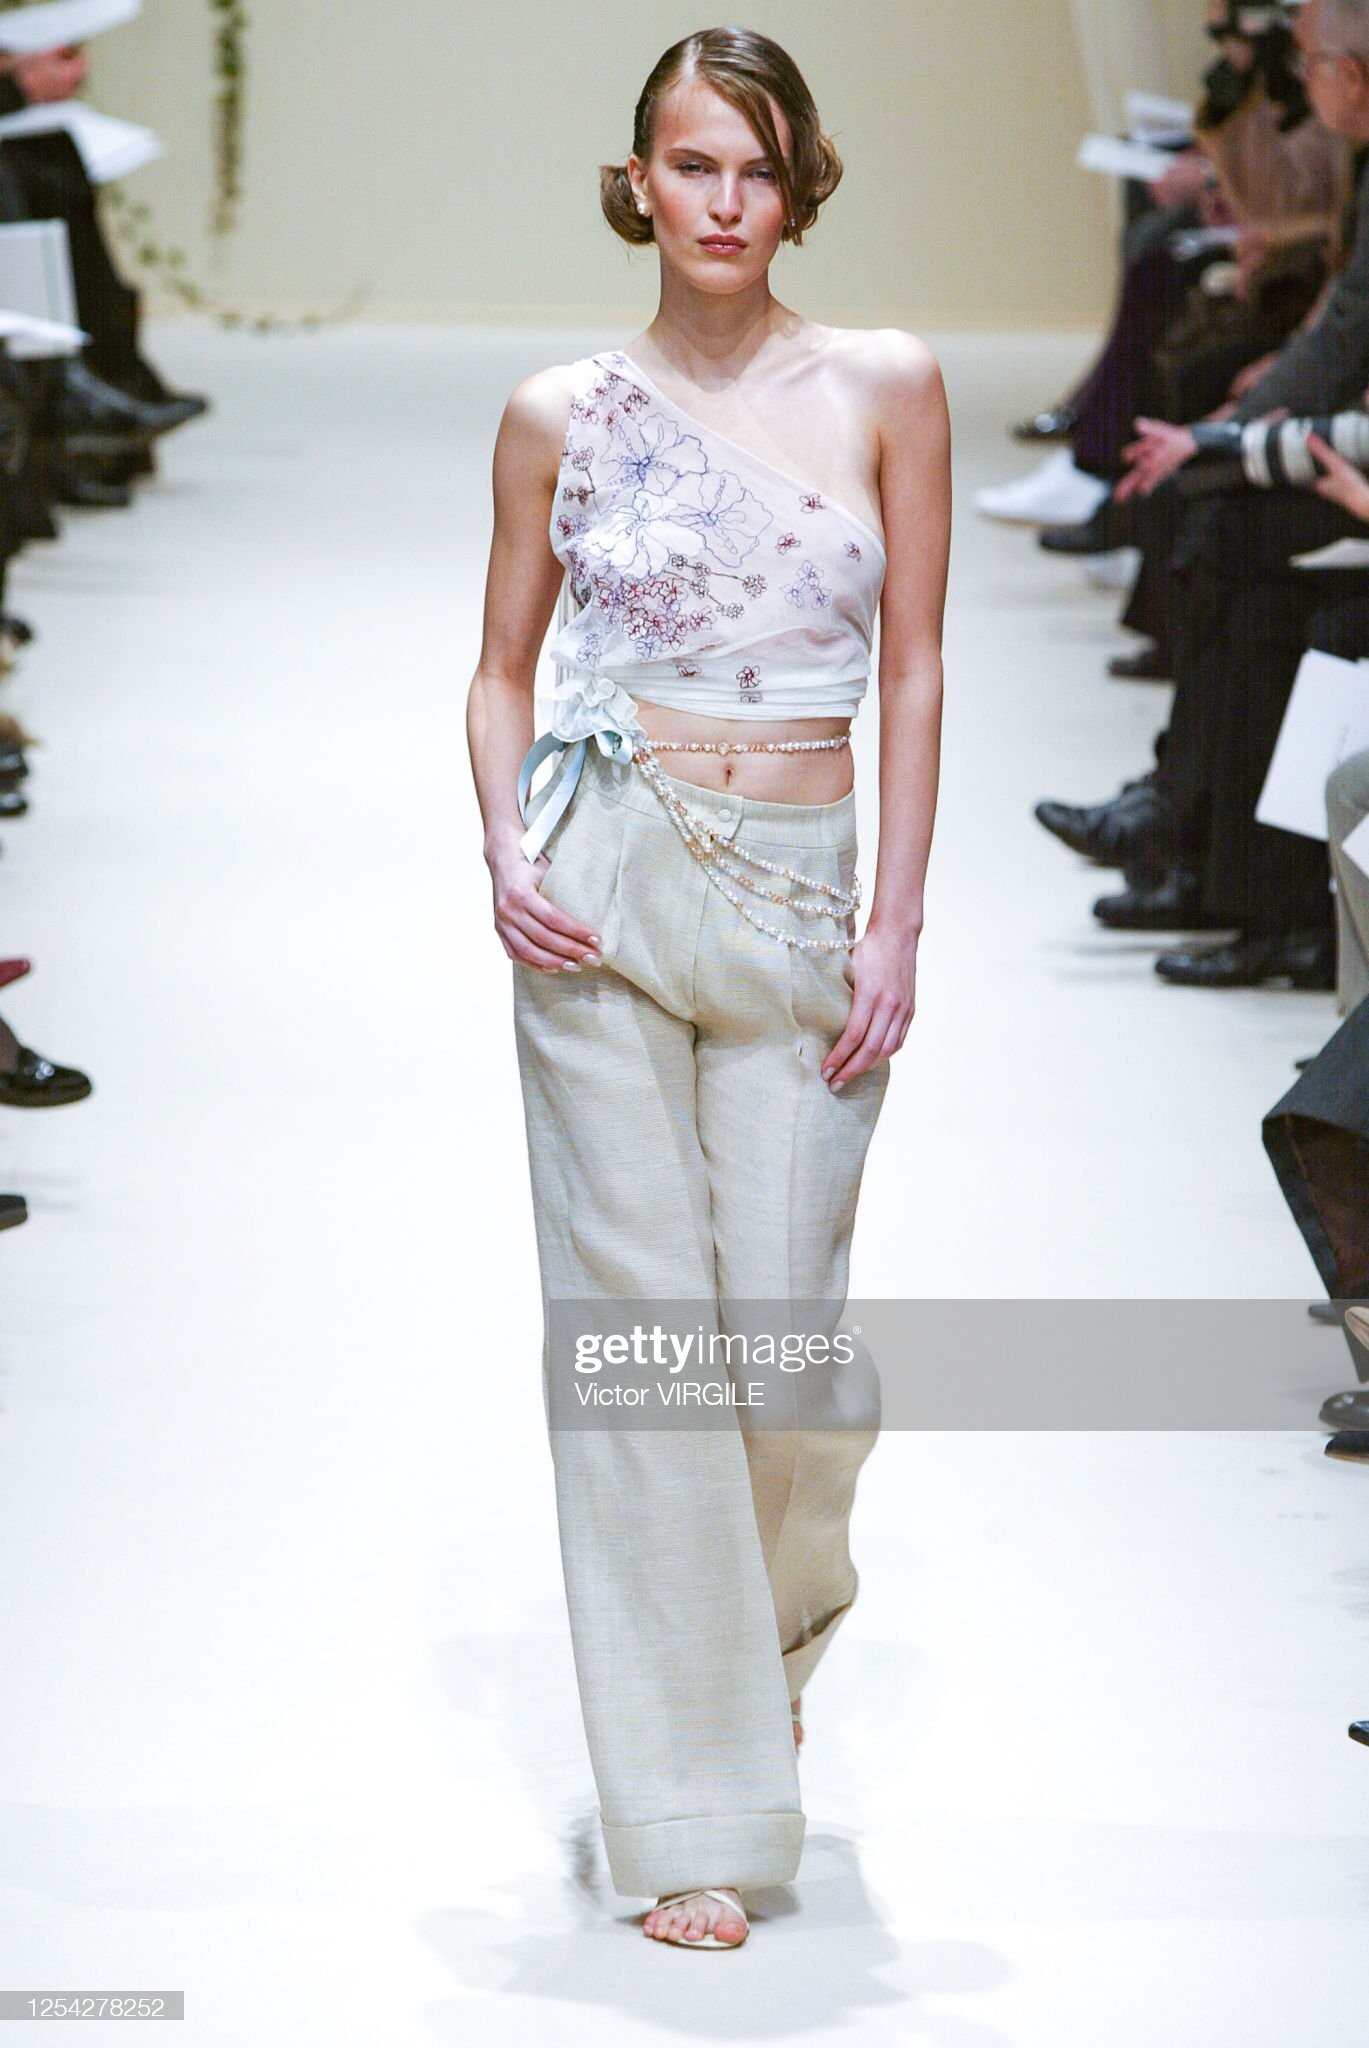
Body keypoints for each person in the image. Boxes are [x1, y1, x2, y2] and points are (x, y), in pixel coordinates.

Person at [465, 28, 948, 1951]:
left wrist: (896, 917)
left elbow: (912, 667)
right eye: (688, 165)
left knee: (783, 1349)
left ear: (798, 181)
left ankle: (769, 1658)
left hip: (800, 892)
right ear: (636, 182)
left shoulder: (887, 384)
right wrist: (501, 845)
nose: (721, 203)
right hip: (600, 885)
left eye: (753, 168)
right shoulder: (557, 414)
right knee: (640, 1351)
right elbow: (500, 668)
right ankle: (689, 1808)